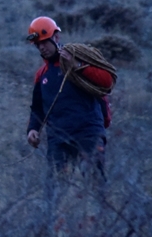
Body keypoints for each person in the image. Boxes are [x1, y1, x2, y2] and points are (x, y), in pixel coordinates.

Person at [24, 16, 113, 177]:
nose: (41, 47)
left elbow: (107, 82)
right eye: (38, 45)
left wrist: (78, 67)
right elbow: (37, 108)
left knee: (94, 183)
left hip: (88, 133)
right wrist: (33, 129)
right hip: (57, 139)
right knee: (55, 190)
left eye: (44, 42)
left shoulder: (82, 58)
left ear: (56, 37)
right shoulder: (41, 75)